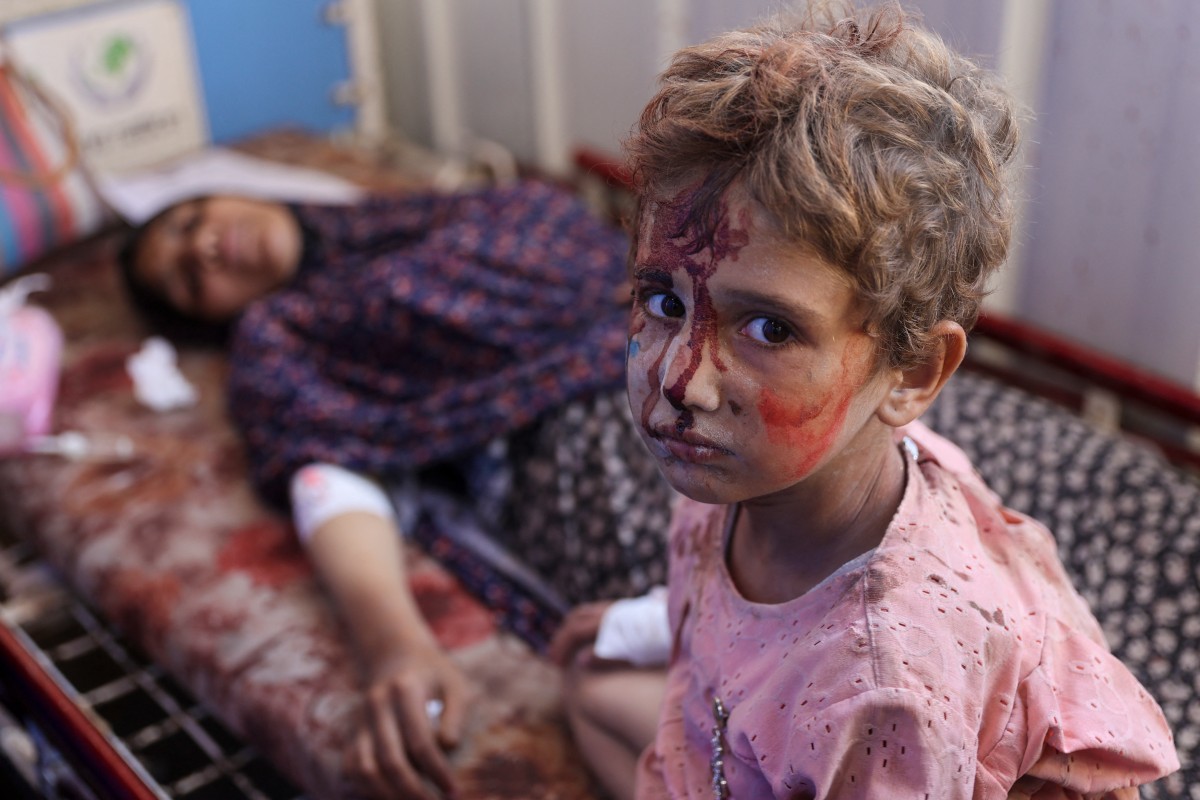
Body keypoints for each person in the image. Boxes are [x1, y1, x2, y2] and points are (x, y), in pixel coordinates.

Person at [549, 4, 1180, 798]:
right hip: (766, 740)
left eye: (770, 328)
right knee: (588, 688)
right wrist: (637, 624)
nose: (682, 381)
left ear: (912, 372)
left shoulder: (881, 687)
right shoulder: (738, 468)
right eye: (664, 300)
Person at [119, 180, 675, 799]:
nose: (205, 246)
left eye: (192, 219)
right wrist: (394, 646)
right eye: (189, 279)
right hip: (579, 444)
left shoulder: (411, 209)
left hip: (675, 359)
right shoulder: (277, 340)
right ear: (207, 320)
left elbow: (556, 226)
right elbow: (327, 474)